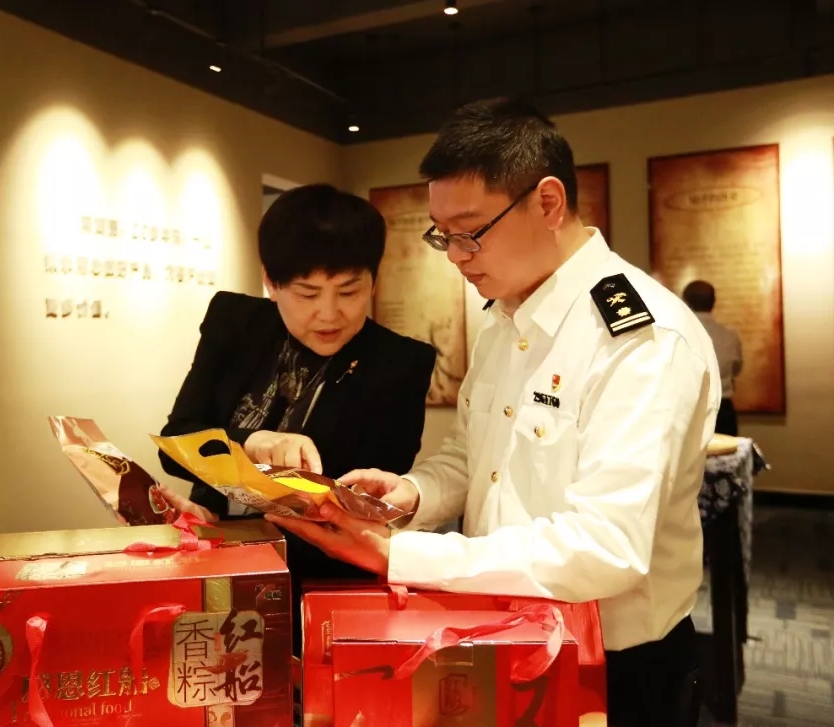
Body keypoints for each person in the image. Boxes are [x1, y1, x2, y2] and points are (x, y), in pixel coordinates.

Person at [268, 99, 721, 727]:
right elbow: (475, 456)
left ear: (548, 203)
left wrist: (401, 555)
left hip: (611, 665)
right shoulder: (504, 320)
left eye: (470, 231)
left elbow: (607, 547)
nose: (455, 255)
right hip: (500, 632)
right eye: (442, 235)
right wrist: (410, 495)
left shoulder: (640, 339)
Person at [156, 182, 437, 638]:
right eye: (307, 294)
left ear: (374, 279)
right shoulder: (236, 323)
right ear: (271, 280)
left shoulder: (401, 363)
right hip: (216, 565)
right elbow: (175, 443)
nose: (329, 313)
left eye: (349, 291)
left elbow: (370, 503)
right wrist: (250, 444)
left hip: (325, 586)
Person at [683, 280, 743, 435]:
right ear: (713, 302)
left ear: (685, 302)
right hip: (723, 409)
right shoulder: (730, 336)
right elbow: (736, 369)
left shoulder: (680, 334)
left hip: (690, 409)